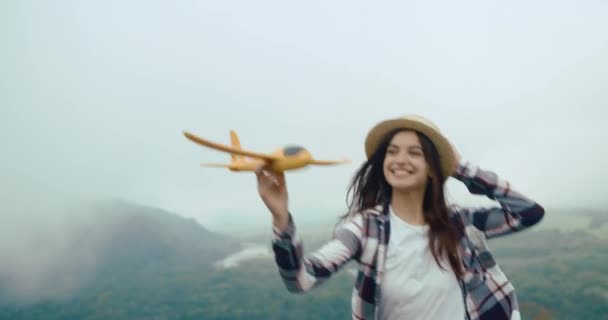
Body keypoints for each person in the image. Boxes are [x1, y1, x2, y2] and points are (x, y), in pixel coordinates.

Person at [255, 115, 545, 320]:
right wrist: (281, 219)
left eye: (414, 153)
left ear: (432, 168)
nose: (400, 159)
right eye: (392, 152)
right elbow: (300, 280)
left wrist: (460, 168)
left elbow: (528, 211)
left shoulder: (460, 223)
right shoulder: (364, 228)